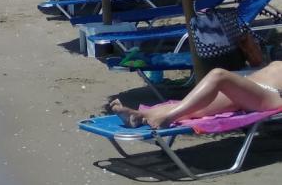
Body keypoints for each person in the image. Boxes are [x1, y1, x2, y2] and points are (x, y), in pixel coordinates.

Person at [107, 59, 282, 130]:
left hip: (271, 95)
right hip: (250, 87)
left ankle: (167, 118)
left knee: (218, 75)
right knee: (197, 107)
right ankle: (140, 116)